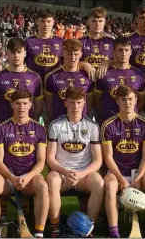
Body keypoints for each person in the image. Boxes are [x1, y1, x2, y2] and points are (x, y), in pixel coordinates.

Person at [0, 90, 49, 238]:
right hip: (7, 176)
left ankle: (39, 233)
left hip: (30, 177)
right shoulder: (1, 128)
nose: (21, 107)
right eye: (18, 103)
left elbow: (41, 162)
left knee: (43, 186)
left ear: (31, 105)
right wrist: (12, 178)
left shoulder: (39, 129)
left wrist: (28, 176)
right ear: (12, 105)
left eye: (25, 103)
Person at [102, 85, 145, 238]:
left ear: (136, 100)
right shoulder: (108, 125)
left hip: (138, 173)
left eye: (130, 99)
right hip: (116, 173)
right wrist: (121, 179)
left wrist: (140, 177)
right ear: (117, 101)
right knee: (109, 185)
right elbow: (108, 157)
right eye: (123, 100)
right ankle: (114, 233)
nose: (127, 103)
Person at [45, 87, 104, 238]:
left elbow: (98, 160)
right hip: (62, 173)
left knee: (99, 182)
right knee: (51, 179)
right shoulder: (55, 125)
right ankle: (56, 227)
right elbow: (50, 158)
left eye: (79, 102)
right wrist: (65, 171)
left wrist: (81, 173)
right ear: (65, 103)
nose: (75, 106)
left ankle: (88, 229)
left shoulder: (92, 126)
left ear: (84, 102)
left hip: (84, 174)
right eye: (72, 102)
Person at [96, 4, 145, 79]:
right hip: (134, 81)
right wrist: (106, 63)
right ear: (136, 19)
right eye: (142, 18)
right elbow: (116, 59)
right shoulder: (128, 39)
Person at [25, 9, 94, 81]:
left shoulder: (61, 42)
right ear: (37, 22)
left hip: (54, 83)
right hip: (33, 83)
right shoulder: (28, 41)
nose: (46, 24)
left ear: (53, 22)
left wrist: (86, 64)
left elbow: (72, 60)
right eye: (42, 21)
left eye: (48, 21)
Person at [94, 36, 145, 123]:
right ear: (114, 52)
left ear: (131, 52)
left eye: (126, 50)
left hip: (131, 123)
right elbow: (97, 101)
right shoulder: (104, 73)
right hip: (108, 122)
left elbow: (142, 102)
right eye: (120, 50)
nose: (124, 53)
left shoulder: (139, 75)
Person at [0, 37, 43, 123]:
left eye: (19, 52)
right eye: (13, 52)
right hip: (5, 128)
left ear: (25, 53)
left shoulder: (35, 77)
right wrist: (2, 123)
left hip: (28, 127)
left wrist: (33, 122)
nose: (16, 56)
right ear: (8, 53)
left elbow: (39, 106)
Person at [44, 39, 94, 123]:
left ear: (81, 54)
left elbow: (89, 104)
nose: (73, 58)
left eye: (76, 54)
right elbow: (49, 106)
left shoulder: (87, 75)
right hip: (59, 124)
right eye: (69, 54)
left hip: (81, 124)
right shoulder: (51, 76)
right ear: (62, 53)